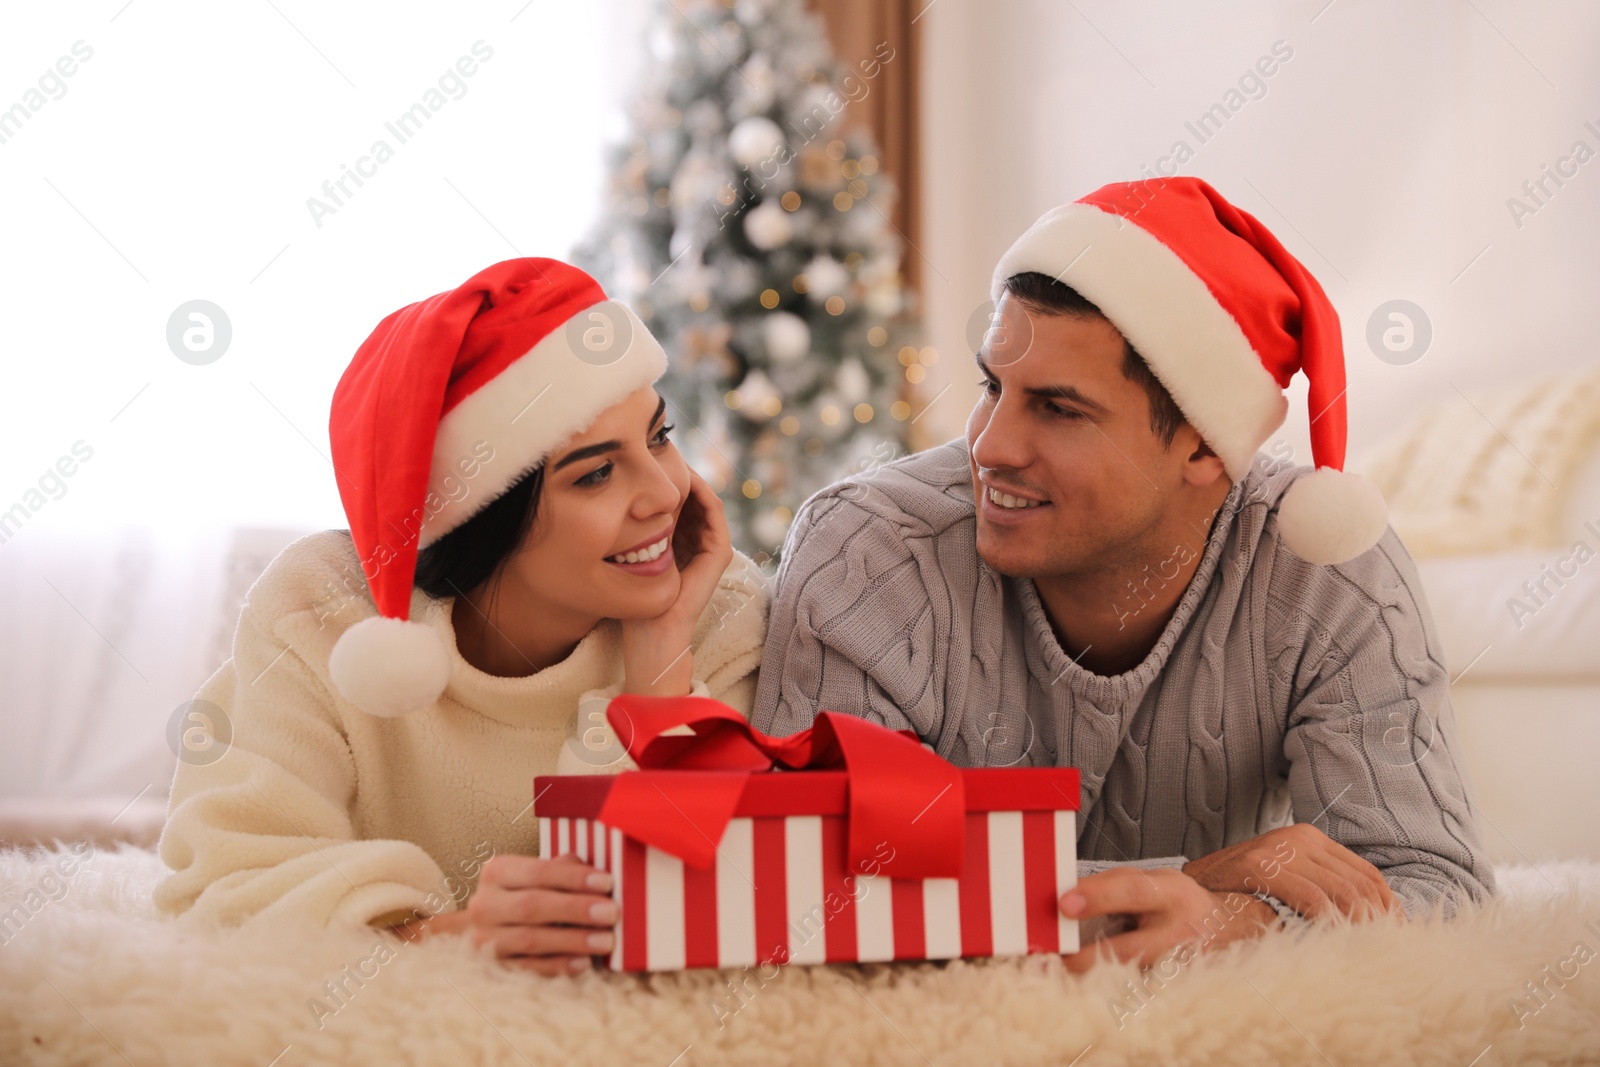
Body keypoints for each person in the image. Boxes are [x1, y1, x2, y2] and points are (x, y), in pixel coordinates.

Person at [754, 177, 1496, 970]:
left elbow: (1437, 884)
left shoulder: (1328, 574)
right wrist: (1188, 882)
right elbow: (803, 882)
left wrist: (1236, 921)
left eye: (1059, 408)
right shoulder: (867, 551)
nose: (990, 445)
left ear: (1205, 448)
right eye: (991, 386)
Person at [156, 258, 768, 976]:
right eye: (597, 473)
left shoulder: (713, 607)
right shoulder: (321, 612)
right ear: (484, 518)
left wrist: (657, 670)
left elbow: (693, 911)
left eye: (660, 436)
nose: (666, 492)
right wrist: (445, 935)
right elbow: (223, 889)